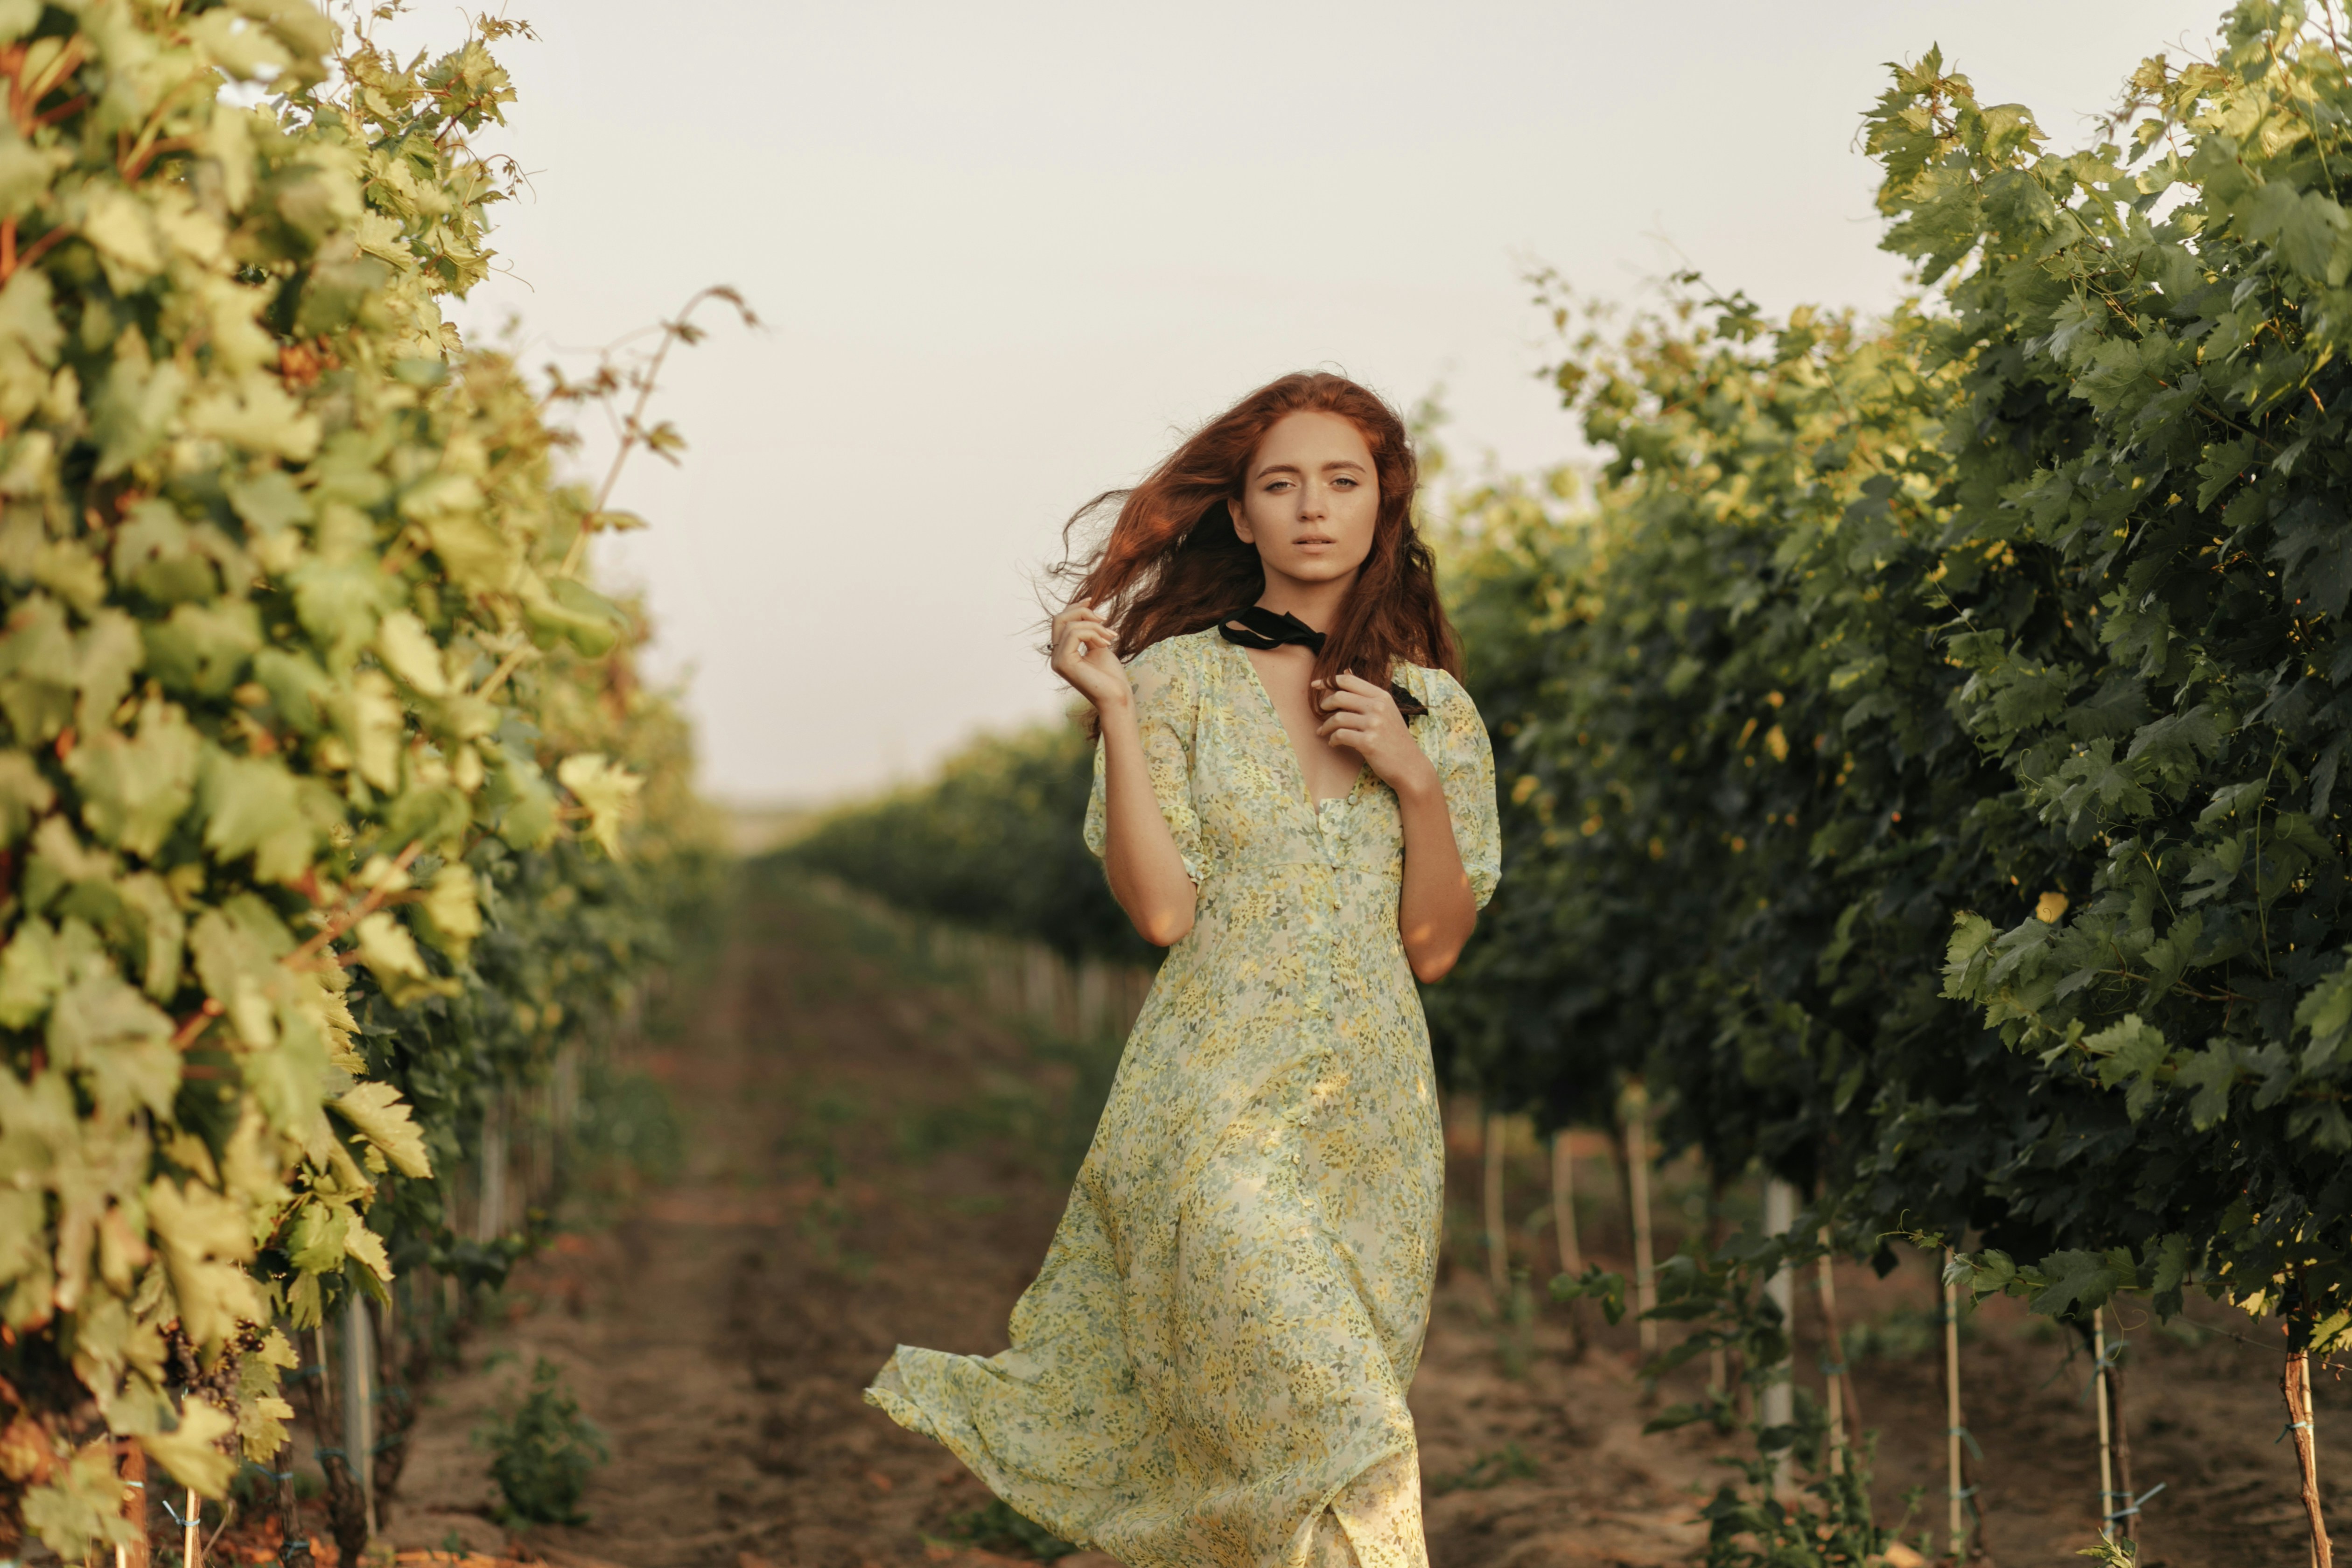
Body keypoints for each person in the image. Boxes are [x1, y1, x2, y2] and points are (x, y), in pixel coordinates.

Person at [865, 371, 1500, 1568]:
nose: (1314, 507)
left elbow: (1437, 947)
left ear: (1385, 508)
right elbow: (1162, 912)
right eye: (1281, 484)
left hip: (1373, 1123)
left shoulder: (1437, 712)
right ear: (1242, 516)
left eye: (1343, 482)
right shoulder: (1172, 683)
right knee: (1348, 1426)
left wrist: (1415, 780)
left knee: (1290, 1448)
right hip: (1211, 1111)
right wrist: (1112, 710)